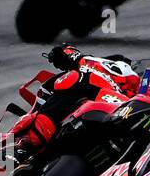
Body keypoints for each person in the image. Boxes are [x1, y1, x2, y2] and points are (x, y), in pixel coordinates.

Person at [9, 43, 142, 160]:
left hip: (96, 117)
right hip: (94, 113)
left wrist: (60, 54)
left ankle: (24, 141)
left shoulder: (89, 67)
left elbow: (66, 53)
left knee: (70, 84)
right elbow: (65, 53)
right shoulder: (100, 68)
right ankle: (20, 142)